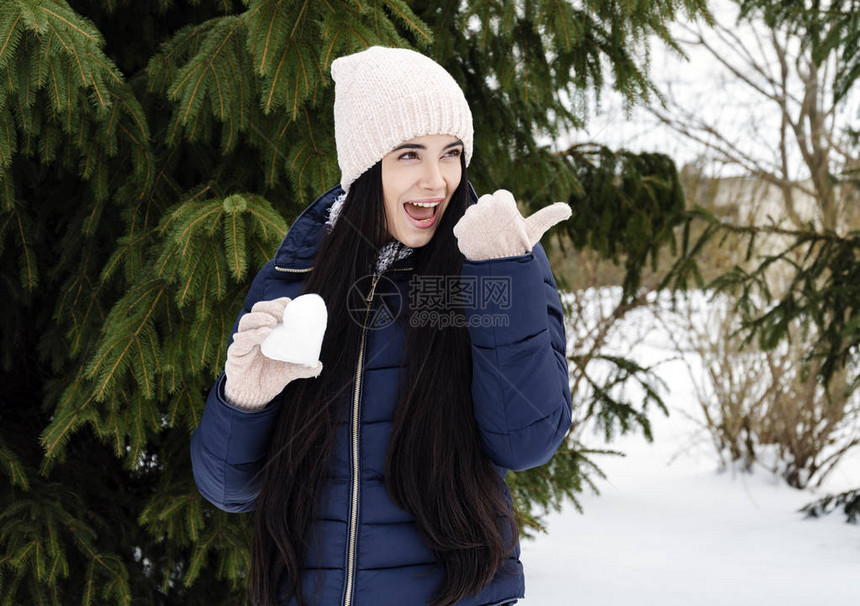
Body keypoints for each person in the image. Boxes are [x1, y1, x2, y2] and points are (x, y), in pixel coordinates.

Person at [190, 46, 573, 606]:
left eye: (451, 154)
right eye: (409, 155)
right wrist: (243, 401)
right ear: (368, 168)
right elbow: (228, 490)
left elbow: (527, 441)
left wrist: (506, 274)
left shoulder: (490, 262)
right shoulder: (298, 278)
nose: (437, 180)